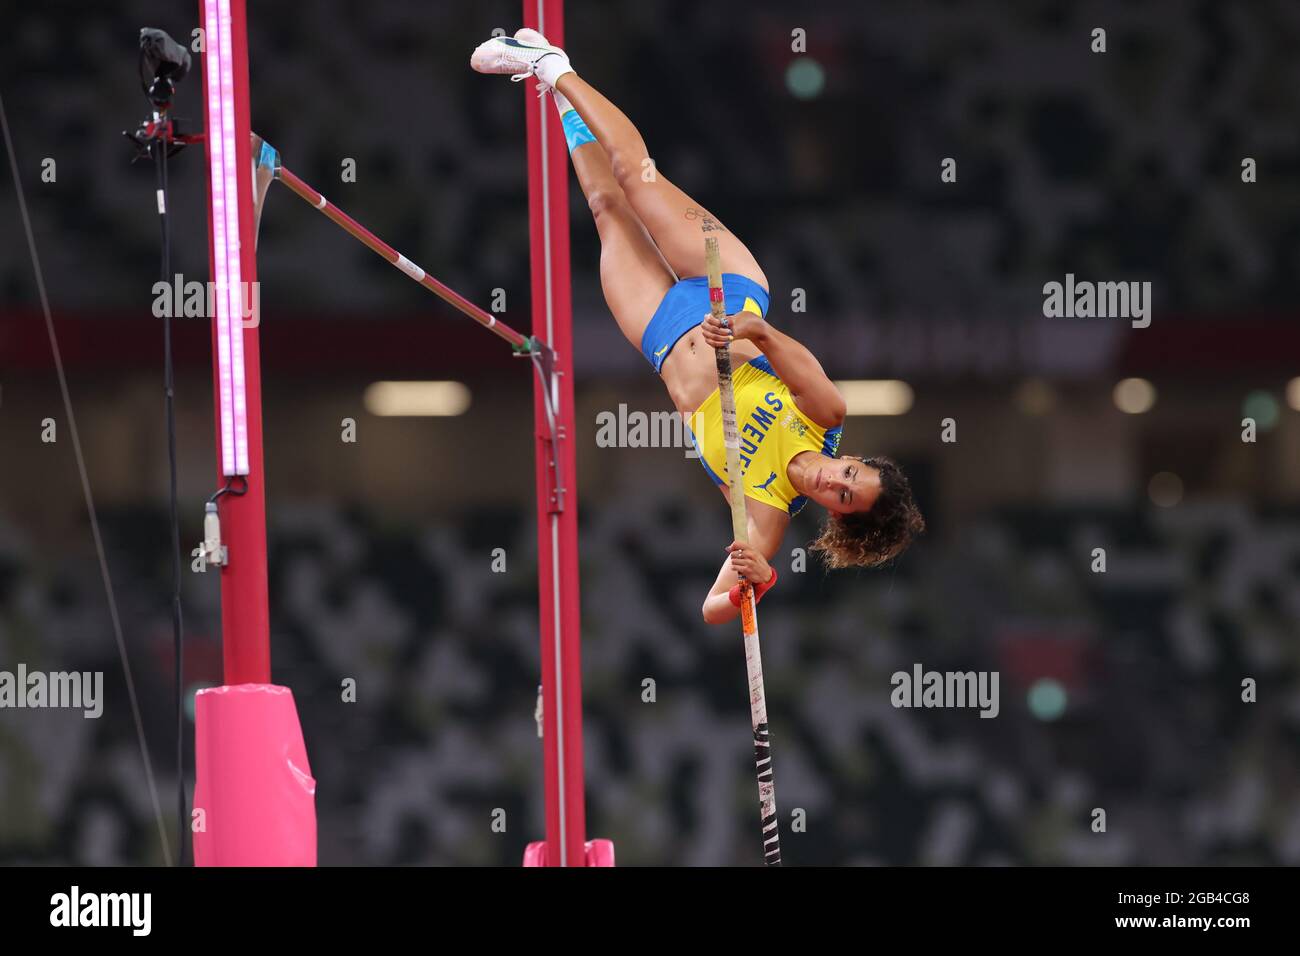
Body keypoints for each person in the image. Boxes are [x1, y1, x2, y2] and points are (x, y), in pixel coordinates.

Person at [473, 30, 924, 624]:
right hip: (728, 291)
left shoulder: (766, 515)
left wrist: (756, 584)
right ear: (855, 459)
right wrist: (745, 329)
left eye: (841, 495)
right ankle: (552, 66)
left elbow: (712, 610)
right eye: (849, 473)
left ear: (838, 515)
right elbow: (777, 345)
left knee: (607, 209)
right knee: (637, 179)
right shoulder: (825, 418)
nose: (832, 478)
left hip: (661, 336)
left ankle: (557, 93)